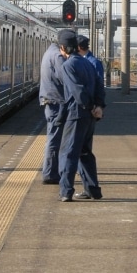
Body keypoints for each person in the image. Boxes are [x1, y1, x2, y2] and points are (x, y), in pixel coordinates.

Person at [57, 29, 103, 202]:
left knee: (68, 153)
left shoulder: (68, 65)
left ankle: (66, 191)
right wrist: (98, 106)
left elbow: (77, 91)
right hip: (90, 116)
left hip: (77, 114)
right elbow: (99, 86)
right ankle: (93, 190)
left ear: (63, 48)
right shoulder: (88, 63)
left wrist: (90, 106)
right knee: (85, 153)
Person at [75, 34, 106, 199]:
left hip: (88, 111)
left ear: (79, 48)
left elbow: (99, 86)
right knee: (83, 150)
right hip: (90, 110)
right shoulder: (91, 61)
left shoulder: (92, 63)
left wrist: (97, 106)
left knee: (83, 151)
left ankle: (90, 188)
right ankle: (89, 187)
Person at [39, 34, 67, 185]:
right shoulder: (57, 56)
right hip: (56, 102)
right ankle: (50, 173)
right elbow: (67, 78)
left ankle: (51, 171)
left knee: (53, 137)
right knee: (55, 139)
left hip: (50, 101)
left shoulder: (49, 52)